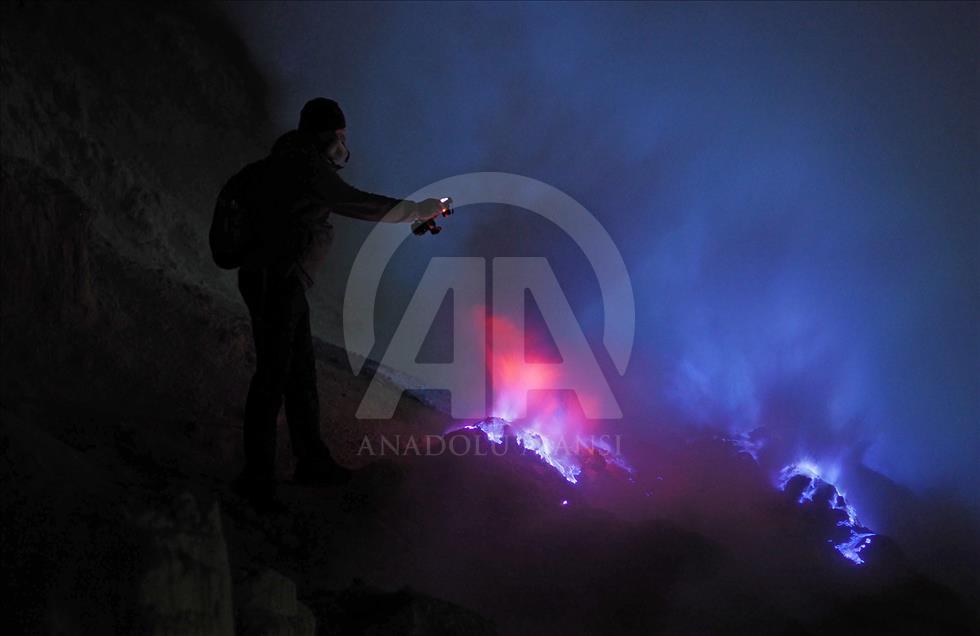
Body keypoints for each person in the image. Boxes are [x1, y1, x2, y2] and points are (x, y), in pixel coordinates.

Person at [234, 97, 446, 511]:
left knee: (297, 374)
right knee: (274, 377)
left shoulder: (286, 159)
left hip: (278, 279)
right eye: (341, 136)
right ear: (326, 135)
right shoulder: (304, 164)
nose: (344, 145)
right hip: (276, 280)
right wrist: (416, 212)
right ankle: (257, 479)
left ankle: (310, 462)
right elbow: (352, 201)